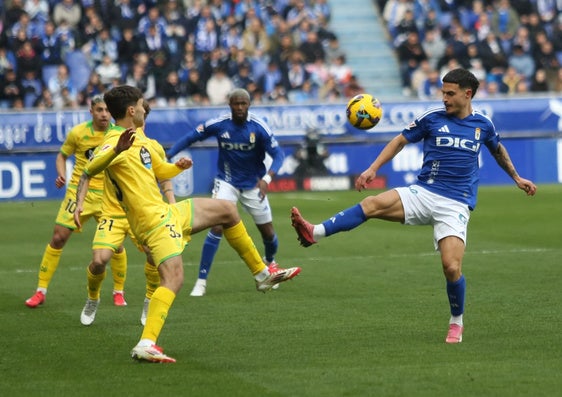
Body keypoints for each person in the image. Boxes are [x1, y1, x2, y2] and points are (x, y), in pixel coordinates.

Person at [290, 68, 537, 344]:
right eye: (443, 92)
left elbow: (497, 150)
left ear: (468, 94)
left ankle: (456, 321)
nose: (444, 98)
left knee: (451, 267)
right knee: (371, 203)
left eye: (450, 93)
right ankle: (316, 232)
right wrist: (373, 168)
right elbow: (399, 141)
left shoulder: (483, 125)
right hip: (423, 192)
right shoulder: (432, 119)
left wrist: (516, 177)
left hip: (455, 203)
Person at [74, 85, 300, 363]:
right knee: (174, 279)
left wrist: (176, 167)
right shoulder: (113, 141)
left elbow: (159, 171)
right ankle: (146, 342)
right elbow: (90, 168)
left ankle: (261, 274)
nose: (146, 109)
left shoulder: (141, 140)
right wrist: (114, 152)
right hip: (152, 223)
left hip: (166, 212)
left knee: (227, 210)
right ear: (132, 110)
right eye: (143, 105)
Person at [167, 88, 285, 297]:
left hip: (253, 184)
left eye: (243, 104)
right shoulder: (219, 124)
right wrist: (167, 156)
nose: (240, 107)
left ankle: (270, 262)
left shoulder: (259, 127)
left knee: (268, 232)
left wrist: (267, 178)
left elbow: (278, 154)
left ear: (249, 105)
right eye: (236, 104)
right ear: (229, 105)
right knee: (217, 226)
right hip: (226, 182)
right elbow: (190, 137)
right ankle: (201, 281)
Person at [25, 95, 128, 308]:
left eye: (107, 110)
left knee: (116, 245)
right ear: (91, 111)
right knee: (58, 237)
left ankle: (118, 291)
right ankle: (40, 291)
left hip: (107, 195)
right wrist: (61, 174)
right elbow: (62, 156)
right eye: (99, 110)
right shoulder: (78, 133)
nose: (104, 114)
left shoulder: (117, 134)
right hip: (78, 191)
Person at [79, 100, 175, 326]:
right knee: (99, 261)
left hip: (142, 215)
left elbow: (164, 176)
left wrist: (171, 202)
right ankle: (93, 298)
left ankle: (149, 299)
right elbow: (91, 168)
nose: (143, 119)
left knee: (154, 255)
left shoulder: (152, 145)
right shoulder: (114, 140)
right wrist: (80, 202)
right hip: (113, 214)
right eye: (142, 113)